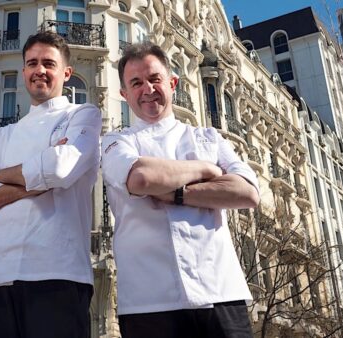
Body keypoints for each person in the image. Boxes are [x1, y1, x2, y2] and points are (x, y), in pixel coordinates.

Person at [101, 42, 260, 338]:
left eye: (154, 79)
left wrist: (176, 193)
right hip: (149, 302)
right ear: (124, 94)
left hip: (221, 293)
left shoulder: (208, 138)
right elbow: (142, 179)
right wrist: (207, 171)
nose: (147, 89)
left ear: (172, 83)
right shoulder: (115, 142)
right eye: (136, 83)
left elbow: (248, 192)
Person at [0, 31, 101, 338]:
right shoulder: (4, 135)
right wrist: (38, 181)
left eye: (49, 63)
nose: (40, 70)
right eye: (32, 63)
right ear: (24, 71)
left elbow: (61, 168)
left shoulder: (83, 115)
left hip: (58, 273)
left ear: (66, 72)